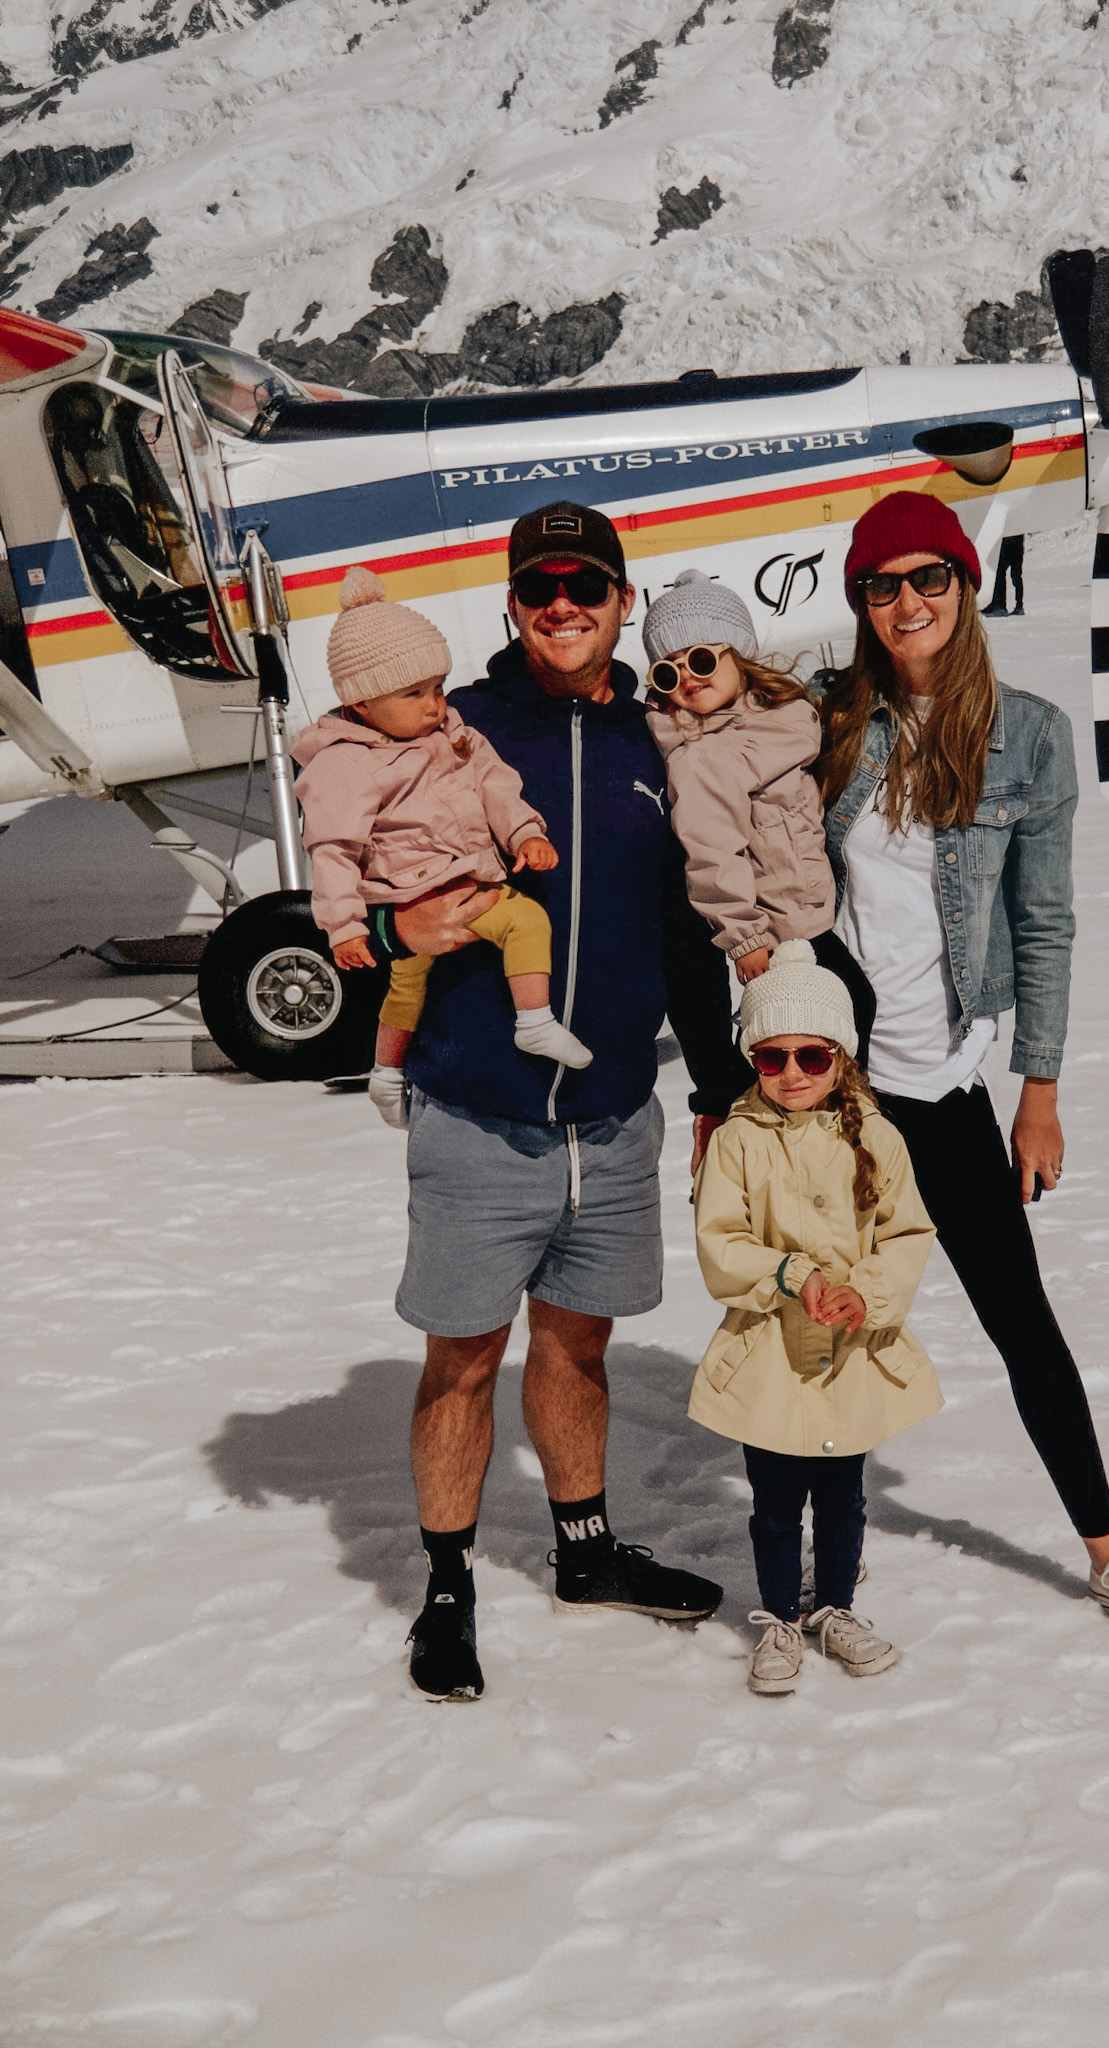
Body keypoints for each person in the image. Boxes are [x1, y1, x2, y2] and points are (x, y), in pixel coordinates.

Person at [364, 501, 747, 1701]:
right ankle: (447, 1583)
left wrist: (720, 1089)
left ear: (625, 603)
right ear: (513, 605)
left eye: (588, 585)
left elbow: (692, 933)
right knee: (464, 1357)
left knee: (580, 1342)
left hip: (617, 1112)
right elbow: (344, 866)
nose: (565, 604)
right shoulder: (450, 729)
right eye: (543, 587)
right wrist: (389, 926)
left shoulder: (661, 740)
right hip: (478, 1107)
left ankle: (584, 1550)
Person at [816, 489, 1109, 1644]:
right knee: (829, 1327)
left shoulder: (1031, 733)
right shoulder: (831, 724)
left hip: (945, 1086)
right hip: (837, 1091)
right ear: (860, 601)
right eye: (881, 583)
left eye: (927, 577)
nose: (906, 601)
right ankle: (825, 1589)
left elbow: (1043, 923)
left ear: (966, 586)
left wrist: (1038, 1089)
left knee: (1020, 1318)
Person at [690, 940, 941, 1694]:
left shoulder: (877, 1136)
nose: (792, 1074)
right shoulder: (735, 1140)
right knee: (773, 1501)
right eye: (771, 1059)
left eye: (811, 1057)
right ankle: (776, 1616)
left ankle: (834, 1606)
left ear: (842, 1056)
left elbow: (905, 1233)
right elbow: (719, 1244)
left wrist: (867, 1294)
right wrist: (791, 1275)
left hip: (853, 1350)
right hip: (768, 1349)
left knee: (842, 1493)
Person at [292, 567, 591, 1135]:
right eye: (413, 694)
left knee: (411, 987)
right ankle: (533, 1020)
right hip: (406, 893)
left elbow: (497, 785)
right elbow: (332, 849)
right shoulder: (344, 763)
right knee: (524, 921)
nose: (434, 704)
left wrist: (525, 833)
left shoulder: (454, 736)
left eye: (437, 686)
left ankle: (386, 1072)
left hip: (466, 881)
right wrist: (345, 927)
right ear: (360, 703)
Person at [642, 567, 874, 1061]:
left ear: (737, 654)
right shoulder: (701, 753)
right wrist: (746, 937)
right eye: (669, 670)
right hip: (777, 933)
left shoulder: (777, 721)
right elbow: (710, 852)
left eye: (701, 659)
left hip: (812, 915)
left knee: (838, 1030)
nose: (687, 676)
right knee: (830, 1031)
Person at [981, 531, 1025, 617]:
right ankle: (1019, 606)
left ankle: (1000, 606)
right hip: (1017, 542)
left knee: (1000, 574)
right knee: (1016, 576)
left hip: (1006, 543)